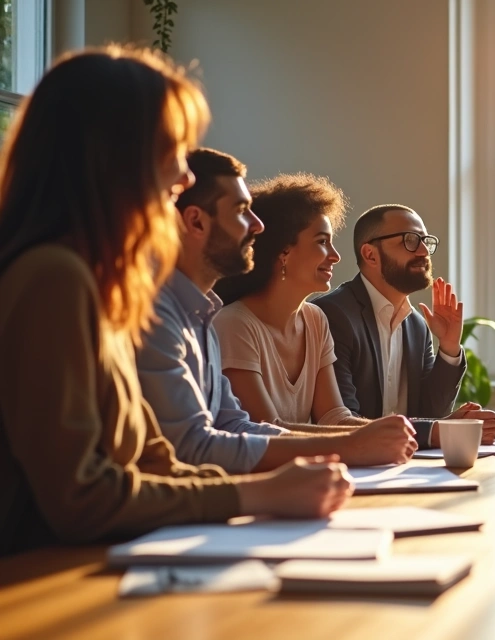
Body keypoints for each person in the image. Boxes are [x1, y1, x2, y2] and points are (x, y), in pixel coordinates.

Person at [0, 46, 351, 556]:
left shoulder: (107, 289)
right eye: (170, 151)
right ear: (113, 156)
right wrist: (258, 493)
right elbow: (82, 497)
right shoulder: (54, 278)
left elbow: (157, 461)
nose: (184, 178)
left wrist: (282, 481)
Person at [137, 149, 417, 473]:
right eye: (242, 211)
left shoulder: (202, 315)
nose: (257, 226)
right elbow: (197, 446)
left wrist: (371, 439)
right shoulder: (206, 320)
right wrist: (350, 446)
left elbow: (237, 425)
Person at [315, 204, 495, 447]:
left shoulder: (416, 325)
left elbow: (429, 413)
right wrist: (442, 429)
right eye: (410, 240)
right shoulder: (333, 315)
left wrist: (449, 347)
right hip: (353, 469)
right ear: (371, 255)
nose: (424, 251)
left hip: (405, 464)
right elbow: (343, 422)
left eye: (425, 241)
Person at [212, 173, 383, 427]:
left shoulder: (315, 319)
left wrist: (394, 430)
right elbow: (268, 430)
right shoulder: (234, 325)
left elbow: (333, 416)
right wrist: (370, 436)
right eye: (322, 242)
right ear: (283, 252)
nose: (335, 256)